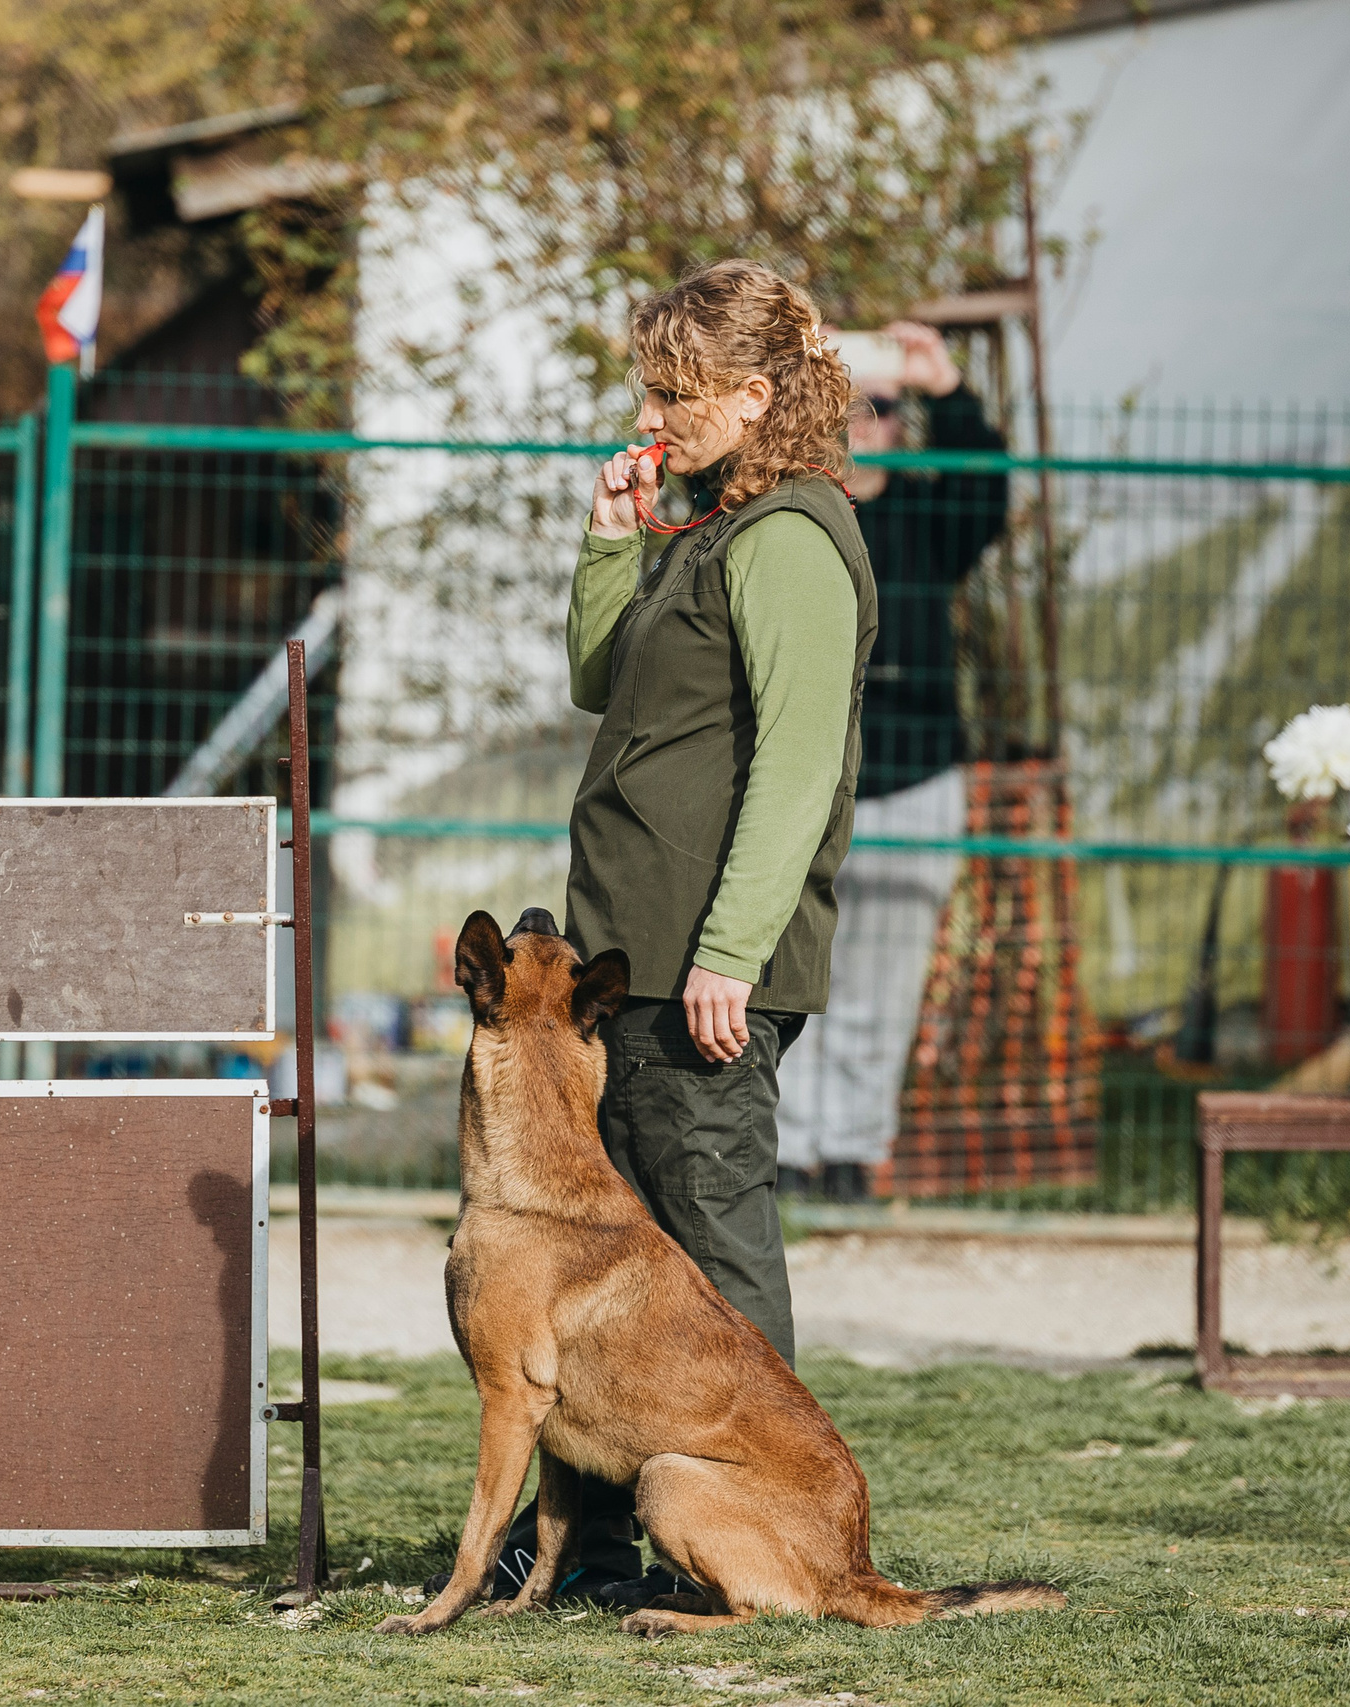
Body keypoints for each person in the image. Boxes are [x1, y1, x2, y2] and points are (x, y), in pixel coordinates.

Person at [432, 259, 878, 1608]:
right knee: (612, 1283)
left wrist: (734, 947)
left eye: (680, 393)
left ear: (758, 395)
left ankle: (773, 1546)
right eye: (654, 387)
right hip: (638, 957)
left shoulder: (795, 538)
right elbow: (597, 678)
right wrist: (613, 534)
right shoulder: (706, 531)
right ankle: (589, 1548)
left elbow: (799, 763)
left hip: (706, 965)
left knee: (713, 1255)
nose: (659, 413)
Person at [773, 322, 1012, 1202]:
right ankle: (788, 1151)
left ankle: (851, 1155)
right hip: (805, 778)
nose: (863, 423)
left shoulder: (928, 514)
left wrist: (948, 387)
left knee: (883, 982)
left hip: (916, 775)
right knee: (791, 975)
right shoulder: (788, 512)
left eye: (881, 408)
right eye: (846, 406)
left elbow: (989, 494)